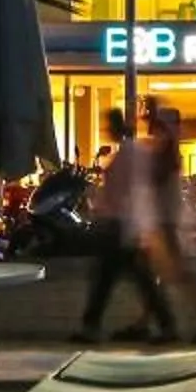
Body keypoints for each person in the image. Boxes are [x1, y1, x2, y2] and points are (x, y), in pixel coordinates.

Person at [73, 110, 174, 342]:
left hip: (121, 226)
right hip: (125, 225)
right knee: (130, 279)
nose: (105, 130)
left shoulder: (127, 155)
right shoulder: (132, 153)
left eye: (108, 126)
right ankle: (165, 325)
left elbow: (129, 192)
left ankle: (92, 326)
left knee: (110, 278)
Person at [139, 101, 196, 343]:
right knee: (160, 274)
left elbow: (154, 182)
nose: (152, 133)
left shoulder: (166, 154)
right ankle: (147, 321)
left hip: (165, 221)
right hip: (164, 220)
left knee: (177, 274)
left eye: (156, 128)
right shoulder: (169, 152)